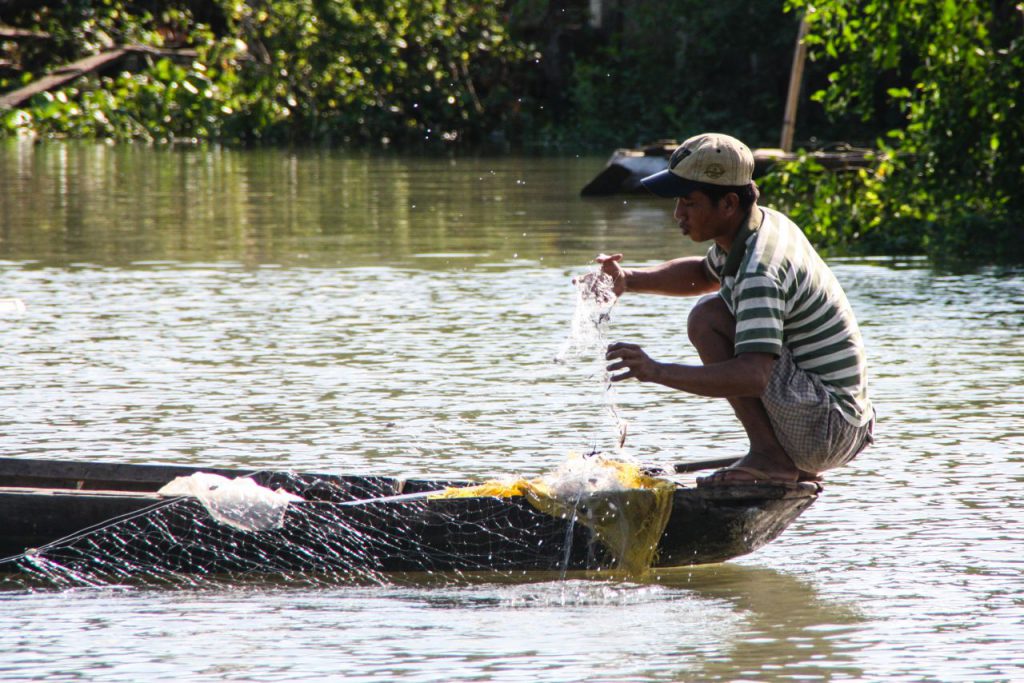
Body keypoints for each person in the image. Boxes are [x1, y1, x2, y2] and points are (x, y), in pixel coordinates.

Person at [598, 132, 874, 485]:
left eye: (689, 202)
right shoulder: (758, 225)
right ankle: (774, 455)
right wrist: (627, 279)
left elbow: (752, 376)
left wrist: (655, 371)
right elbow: (702, 273)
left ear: (728, 203)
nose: (678, 214)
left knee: (707, 318)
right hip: (843, 420)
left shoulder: (761, 270)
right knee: (712, 311)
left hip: (829, 430)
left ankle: (771, 458)